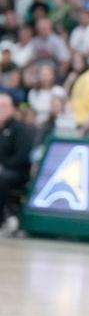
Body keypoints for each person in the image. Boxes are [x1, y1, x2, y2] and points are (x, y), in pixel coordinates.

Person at [0, 92, 32, 228]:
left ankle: (2, 219)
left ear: (13, 109)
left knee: (2, 179)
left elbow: (23, 157)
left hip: (15, 172)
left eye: (4, 106)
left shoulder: (19, 129)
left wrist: (3, 166)